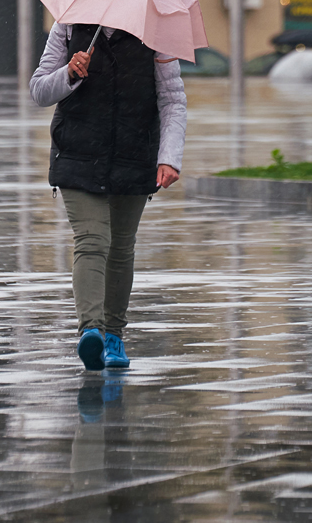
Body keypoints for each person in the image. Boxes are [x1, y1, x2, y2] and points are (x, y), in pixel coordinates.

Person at [30, 23, 187, 371]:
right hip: (77, 155)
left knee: (120, 247)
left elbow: (173, 99)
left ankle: (114, 335)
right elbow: (39, 91)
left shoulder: (156, 32)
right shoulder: (69, 25)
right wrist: (68, 73)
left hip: (134, 155)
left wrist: (169, 156)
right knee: (92, 239)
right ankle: (92, 331)